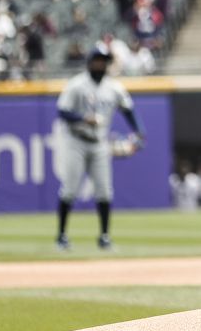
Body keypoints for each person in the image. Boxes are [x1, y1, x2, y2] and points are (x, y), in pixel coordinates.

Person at [54, 44, 144, 251]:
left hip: (100, 143)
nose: (100, 64)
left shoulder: (114, 87)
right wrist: (84, 118)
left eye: (104, 61)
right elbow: (62, 111)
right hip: (76, 140)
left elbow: (129, 111)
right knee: (69, 189)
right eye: (97, 60)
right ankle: (62, 236)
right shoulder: (77, 85)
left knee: (104, 191)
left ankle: (104, 237)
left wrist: (140, 133)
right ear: (89, 62)